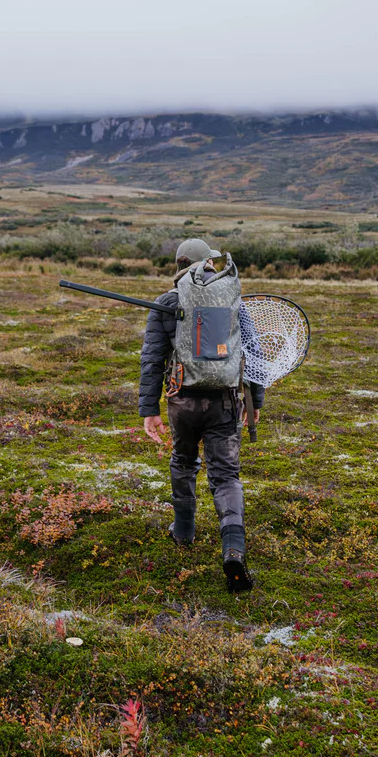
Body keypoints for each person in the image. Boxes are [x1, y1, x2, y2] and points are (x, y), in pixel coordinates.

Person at [139, 238, 265, 593]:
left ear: (180, 266)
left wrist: (149, 409)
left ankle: (183, 532)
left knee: (183, 460)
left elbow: (152, 360)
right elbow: (253, 356)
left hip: (182, 402)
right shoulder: (234, 300)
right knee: (226, 476)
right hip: (225, 402)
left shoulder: (167, 301)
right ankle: (233, 550)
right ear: (209, 263)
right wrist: (255, 404)